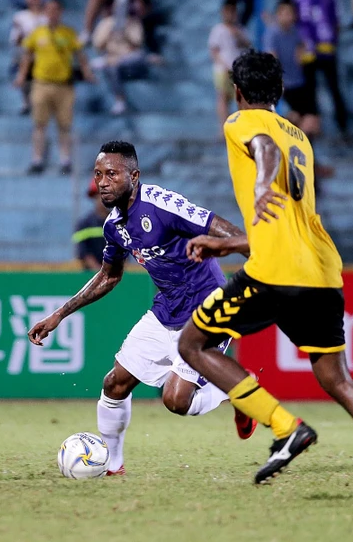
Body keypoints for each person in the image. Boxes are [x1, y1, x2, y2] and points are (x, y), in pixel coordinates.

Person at [176, 50, 353, 501]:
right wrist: (228, 242)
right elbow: (287, 220)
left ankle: (283, 426)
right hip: (322, 269)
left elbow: (265, 150)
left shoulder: (241, 123)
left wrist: (259, 185)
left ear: (238, 92)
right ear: (279, 91)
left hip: (275, 272)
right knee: (337, 378)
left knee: (192, 344)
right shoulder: (302, 138)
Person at [29, 141, 257, 476]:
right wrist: (60, 314)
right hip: (166, 310)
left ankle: (238, 389)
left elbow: (227, 230)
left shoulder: (162, 205)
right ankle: (114, 466)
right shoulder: (114, 225)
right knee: (114, 385)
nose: (103, 182)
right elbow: (109, 276)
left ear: (134, 176)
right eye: (98, 174)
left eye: (112, 173)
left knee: (176, 401)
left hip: (208, 310)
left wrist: (257, 258)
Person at [15, 0, 95, 174]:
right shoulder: (37, 33)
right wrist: (21, 76)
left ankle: (65, 160)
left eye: (56, 10)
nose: (52, 14)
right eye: (49, 10)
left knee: (64, 125)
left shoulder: (68, 33)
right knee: (39, 124)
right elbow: (27, 55)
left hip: (64, 85)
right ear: (45, 12)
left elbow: (80, 55)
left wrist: (87, 72)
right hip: (41, 83)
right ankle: (37, 160)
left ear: (60, 12)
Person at [292, 0, 351, 144]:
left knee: (334, 89)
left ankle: (343, 129)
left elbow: (336, 23)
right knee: (310, 92)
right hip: (308, 52)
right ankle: (313, 130)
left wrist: (331, 40)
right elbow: (295, 24)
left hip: (327, 51)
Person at [264, 0, 319, 138]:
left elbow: (301, 55)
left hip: (299, 82)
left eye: (291, 13)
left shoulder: (296, 32)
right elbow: (272, 58)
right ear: (278, 14)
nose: (289, 16)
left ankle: (306, 154)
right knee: (292, 118)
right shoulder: (273, 34)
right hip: (284, 85)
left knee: (310, 120)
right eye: (285, 13)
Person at [91, 0, 146, 116]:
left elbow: (137, 44)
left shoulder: (134, 22)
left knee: (139, 56)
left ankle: (110, 64)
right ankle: (120, 100)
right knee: (110, 66)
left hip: (128, 59)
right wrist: (111, 31)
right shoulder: (106, 23)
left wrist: (125, 31)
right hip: (111, 58)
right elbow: (98, 46)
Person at [209, 2, 251, 134]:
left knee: (241, 98)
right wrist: (224, 65)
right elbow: (214, 51)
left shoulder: (240, 29)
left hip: (237, 70)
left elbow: (247, 44)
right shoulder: (218, 30)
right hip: (223, 70)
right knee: (223, 97)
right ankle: (223, 128)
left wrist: (236, 34)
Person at [10, 0, 48, 114]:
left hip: (45, 52)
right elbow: (15, 41)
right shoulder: (20, 16)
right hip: (26, 54)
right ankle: (26, 101)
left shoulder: (47, 17)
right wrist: (20, 32)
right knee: (23, 56)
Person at [73, 180, 110, 271]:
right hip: (90, 274)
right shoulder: (84, 224)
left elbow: (124, 252)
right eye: (99, 195)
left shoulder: (120, 222)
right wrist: (100, 272)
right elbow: (84, 253)